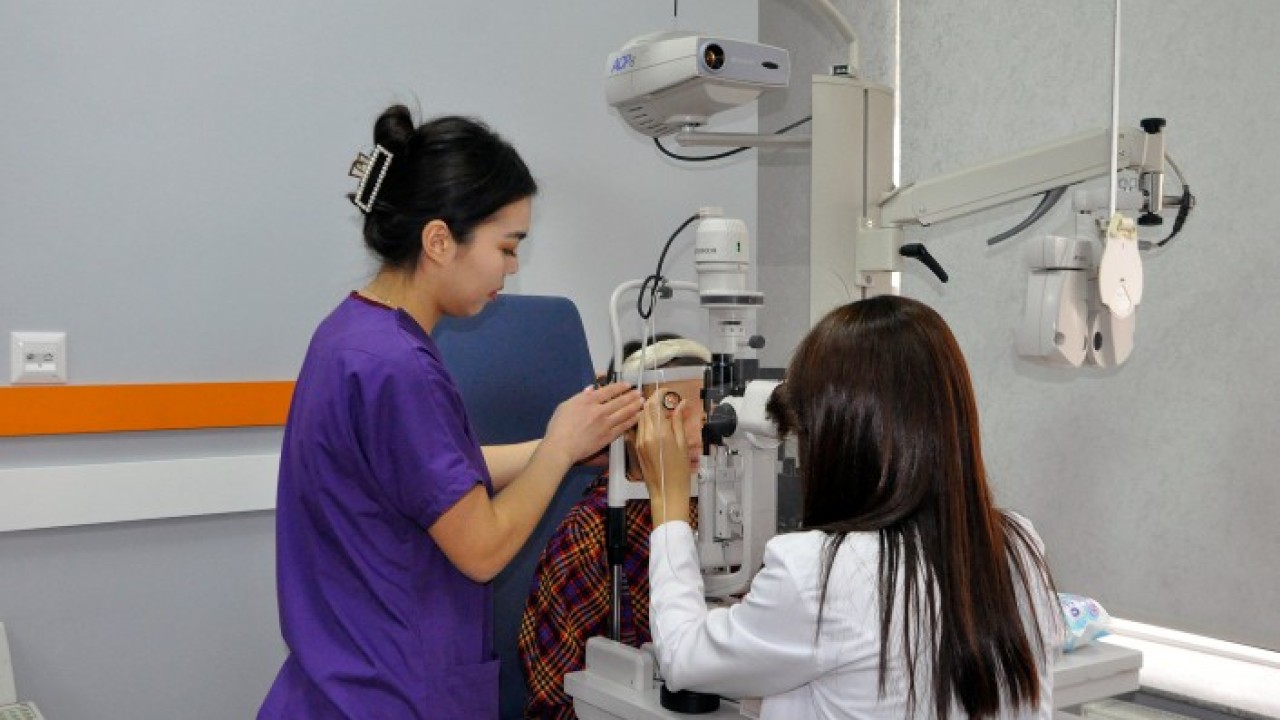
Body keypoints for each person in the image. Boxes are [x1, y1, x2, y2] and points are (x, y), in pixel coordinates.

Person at [257, 105, 644, 720]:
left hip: (340, 685)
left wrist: (571, 443)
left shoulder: (351, 335)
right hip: (390, 695)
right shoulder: (399, 366)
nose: (512, 267)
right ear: (439, 241)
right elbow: (482, 548)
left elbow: (428, 475)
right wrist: (557, 450)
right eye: (506, 246)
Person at [638, 295, 1062, 720]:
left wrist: (669, 498)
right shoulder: (1017, 547)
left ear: (838, 437)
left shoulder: (820, 573)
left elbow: (682, 657)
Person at [518, 335, 708, 719]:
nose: (695, 435)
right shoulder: (587, 538)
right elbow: (554, 701)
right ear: (627, 426)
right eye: (672, 411)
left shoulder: (727, 514)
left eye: (707, 414)